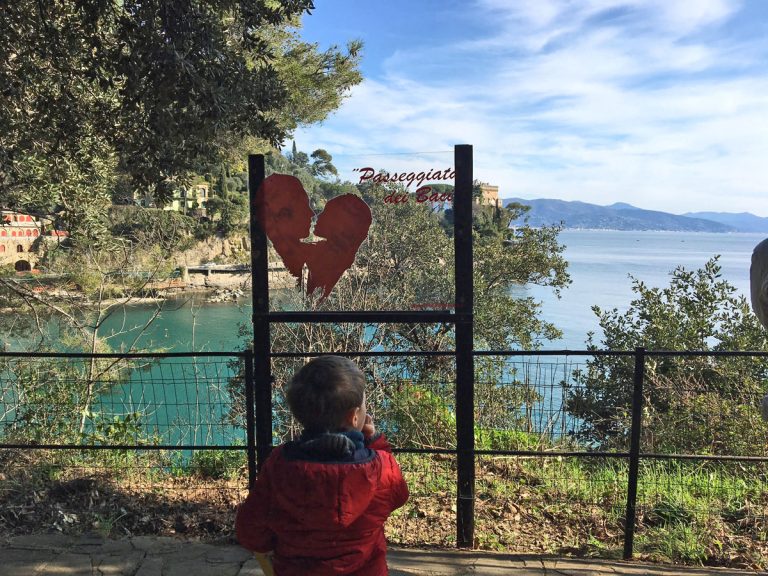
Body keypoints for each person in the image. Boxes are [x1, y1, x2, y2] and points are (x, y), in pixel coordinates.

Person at [235, 355, 409, 575]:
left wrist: (273, 544)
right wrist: (376, 444)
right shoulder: (382, 468)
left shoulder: (280, 465)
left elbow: (249, 530)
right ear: (355, 417)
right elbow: (399, 495)